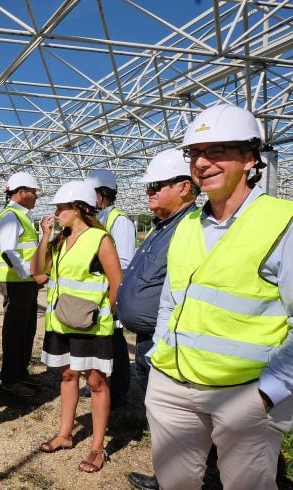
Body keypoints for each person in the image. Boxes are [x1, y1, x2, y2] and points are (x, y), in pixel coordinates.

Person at [146, 103, 293, 489]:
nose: (202, 163)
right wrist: (159, 354)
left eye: (217, 151)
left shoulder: (283, 221)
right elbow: (170, 299)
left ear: (249, 158)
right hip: (172, 386)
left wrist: (269, 392)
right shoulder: (189, 223)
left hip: (243, 393)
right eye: (195, 153)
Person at [115, 148, 199, 490]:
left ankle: (189, 476)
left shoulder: (190, 227)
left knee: (178, 416)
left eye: (156, 185)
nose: (149, 191)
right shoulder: (163, 226)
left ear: (183, 187)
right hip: (149, 337)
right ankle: (170, 475)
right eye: (149, 186)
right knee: (162, 413)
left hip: (169, 341)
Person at [34, 180, 123, 473]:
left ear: (79, 208)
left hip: (91, 325)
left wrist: (104, 314)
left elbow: (116, 282)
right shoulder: (60, 238)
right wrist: (45, 236)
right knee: (68, 375)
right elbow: (38, 272)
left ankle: (97, 448)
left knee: (96, 382)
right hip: (61, 320)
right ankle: (64, 435)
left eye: (61, 208)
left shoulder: (100, 239)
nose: (56, 213)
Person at [84, 168, 136, 409]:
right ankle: (100, 385)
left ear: (101, 194)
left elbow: (123, 262)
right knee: (99, 341)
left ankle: (119, 391)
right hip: (94, 293)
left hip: (109, 292)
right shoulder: (98, 219)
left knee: (115, 340)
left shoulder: (120, 221)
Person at [0, 172, 44, 397]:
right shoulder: (11, 216)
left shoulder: (23, 216)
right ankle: (10, 378)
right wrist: (30, 274)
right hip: (17, 282)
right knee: (16, 331)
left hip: (24, 282)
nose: (36, 196)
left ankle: (20, 373)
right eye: (33, 192)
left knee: (27, 329)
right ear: (22, 192)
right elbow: (8, 252)